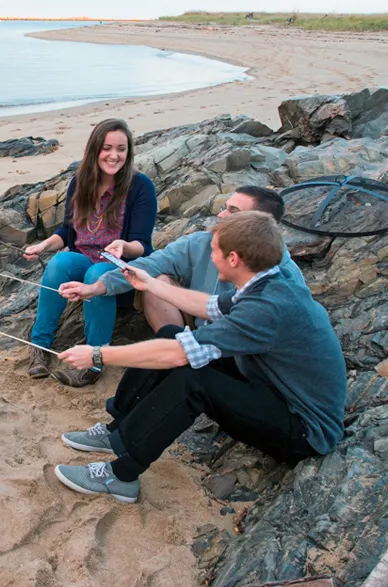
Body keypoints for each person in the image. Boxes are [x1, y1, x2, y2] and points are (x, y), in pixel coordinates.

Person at [52, 211, 346, 503]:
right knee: (171, 333)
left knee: (193, 378)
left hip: (304, 428)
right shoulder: (266, 281)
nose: (209, 253)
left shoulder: (268, 307)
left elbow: (177, 355)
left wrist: (99, 355)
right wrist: (150, 284)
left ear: (233, 259)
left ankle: (122, 476)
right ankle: (116, 431)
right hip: (270, 386)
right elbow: (210, 306)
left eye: (214, 249)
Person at [22, 119, 157, 387]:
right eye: (107, 148)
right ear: (95, 149)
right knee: (61, 261)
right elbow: (66, 232)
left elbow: (142, 245)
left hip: (120, 270)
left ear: (128, 152)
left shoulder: (141, 187)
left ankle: (94, 363)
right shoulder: (79, 183)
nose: (114, 155)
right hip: (82, 261)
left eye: (121, 148)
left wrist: (123, 246)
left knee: (97, 272)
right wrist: (43, 246)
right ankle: (40, 347)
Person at [59, 186, 304, 331]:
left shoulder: (284, 275)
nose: (220, 215)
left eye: (233, 211)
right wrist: (96, 288)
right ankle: (174, 350)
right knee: (156, 280)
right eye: (225, 206)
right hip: (199, 323)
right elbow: (150, 264)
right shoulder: (201, 242)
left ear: (259, 224)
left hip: (240, 340)